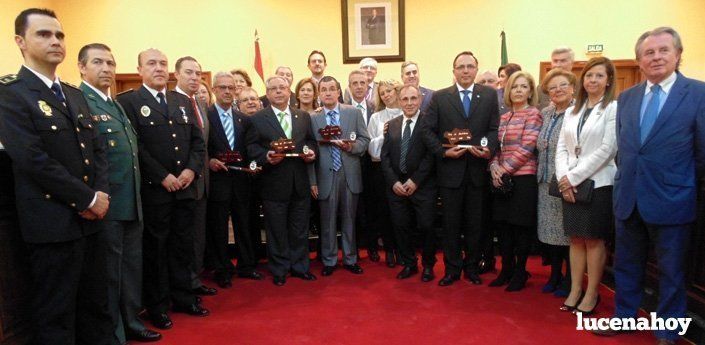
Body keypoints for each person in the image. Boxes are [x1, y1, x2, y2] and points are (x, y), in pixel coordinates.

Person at [0, 8, 113, 344]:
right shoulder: (10, 93)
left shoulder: (74, 95)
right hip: (52, 223)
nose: (55, 41)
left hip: (92, 221)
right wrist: (87, 198)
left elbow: (99, 151)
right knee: (56, 315)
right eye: (44, 34)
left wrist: (101, 197)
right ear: (20, 41)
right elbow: (31, 158)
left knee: (96, 308)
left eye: (59, 35)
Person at [597, 27, 705, 345]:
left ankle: (669, 330)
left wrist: (679, 182)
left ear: (678, 55)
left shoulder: (698, 94)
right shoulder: (627, 98)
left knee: (672, 273)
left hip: (673, 199)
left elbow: (701, 154)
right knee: (627, 266)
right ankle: (624, 319)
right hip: (629, 197)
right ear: (639, 60)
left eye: (663, 50)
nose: (656, 57)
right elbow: (626, 148)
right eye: (649, 52)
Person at [117, 48, 208, 330]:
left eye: (163, 64)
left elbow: (197, 141)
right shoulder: (130, 102)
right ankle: (157, 306)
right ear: (140, 69)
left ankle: (184, 297)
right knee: (156, 249)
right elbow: (136, 147)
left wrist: (191, 170)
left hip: (185, 188)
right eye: (152, 63)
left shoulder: (180, 102)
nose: (158, 68)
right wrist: (162, 176)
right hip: (156, 191)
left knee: (182, 246)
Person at [77, 43, 161, 343]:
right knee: (108, 275)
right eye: (98, 62)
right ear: (82, 67)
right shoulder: (80, 102)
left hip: (131, 203)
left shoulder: (114, 104)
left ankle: (130, 322)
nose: (107, 69)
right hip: (107, 206)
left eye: (111, 63)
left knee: (129, 271)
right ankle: (112, 332)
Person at [421, 51, 499, 287]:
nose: (465, 71)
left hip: (477, 171)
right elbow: (427, 130)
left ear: (476, 69)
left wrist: (489, 150)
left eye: (470, 66)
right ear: (453, 70)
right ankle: (452, 269)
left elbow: (494, 128)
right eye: (460, 67)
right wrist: (443, 152)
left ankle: (472, 268)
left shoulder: (488, 95)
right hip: (450, 172)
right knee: (451, 225)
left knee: (475, 224)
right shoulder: (440, 97)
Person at [555, 56, 617, 315]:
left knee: (593, 241)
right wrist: (563, 178)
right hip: (569, 183)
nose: (593, 80)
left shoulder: (613, 108)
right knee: (576, 239)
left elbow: (608, 148)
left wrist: (574, 177)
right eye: (589, 75)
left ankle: (592, 293)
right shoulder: (572, 110)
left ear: (608, 80)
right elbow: (561, 147)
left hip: (598, 183)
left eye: (599, 76)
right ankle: (575, 289)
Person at [246, 75, 318, 286]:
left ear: (289, 92)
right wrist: (265, 156)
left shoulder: (303, 116)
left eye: (282, 88)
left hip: (300, 183)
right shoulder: (257, 118)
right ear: (267, 94)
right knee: (276, 230)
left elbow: (311, 142)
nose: (278, 91)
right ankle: (279, 269)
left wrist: (311, 152)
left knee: (299, 229)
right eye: (273, 89)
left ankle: (300, 267)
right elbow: (251, 148)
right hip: (273, 183)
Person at [206, 72, 264, 288]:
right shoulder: (206, 116)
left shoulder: (244, 119)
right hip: (218, 180)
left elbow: (249, 149)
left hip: (241, 181)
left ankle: (247, 266)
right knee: (219, 227)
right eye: (222, 87)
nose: (228, 91)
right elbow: (202, 148)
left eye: (231, 87)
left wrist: (253, 165)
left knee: (244, 224)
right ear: (214, 90)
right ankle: (222, 269)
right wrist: (209, 161)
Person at [310, 76, 371, 277]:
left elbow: (364, 139)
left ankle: (351, 258)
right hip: (325, 174)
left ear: (338, 91)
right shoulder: (312, 117)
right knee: (327, 221)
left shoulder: (353, 113)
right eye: (324, 89)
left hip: (349, 172)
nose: (328, 92)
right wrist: (312, 181)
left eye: (331, 89)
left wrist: (352, 147)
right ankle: (329, 260)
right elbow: (308, 151)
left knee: (349, 219)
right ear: (319, 94)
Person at [488, 71, 542, 292]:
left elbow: (528, 146)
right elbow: (494, 146)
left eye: (523, 86)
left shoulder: (534, 115)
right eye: (514, 87)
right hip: (502, 180)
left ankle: (521, 272)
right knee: (503, 228)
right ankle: (506, 269)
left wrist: (504, 170)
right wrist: (493, 167)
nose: (519, 90)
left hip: (523, 179)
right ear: (508, 91)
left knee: (520, 229)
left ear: (530, 91)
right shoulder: (503, 117)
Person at [381, 85, 437, 281]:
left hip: (422, 186)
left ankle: (428, 265)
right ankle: (409, 263)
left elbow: (432, 155)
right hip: (396, 188)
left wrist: (416, 180)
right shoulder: (392, 124)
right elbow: (384, 156)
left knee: (427, 226)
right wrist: (394, 182)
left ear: (420, 100)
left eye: (413, 98)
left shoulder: (429, 124)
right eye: (405, 99)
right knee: (401, 226)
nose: (409, 103)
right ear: (399, 101)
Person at [173, 56, 218, 299]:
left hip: (203, 183)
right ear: (177, 74)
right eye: (188, 72)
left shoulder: (200, 105)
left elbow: (203, 145)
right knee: (183, 240)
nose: (194, 77)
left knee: (198, 238)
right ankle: (184, 287)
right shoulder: (171, 102)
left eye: (198, 73)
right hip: (182, 182)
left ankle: (194, 280)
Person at [536, 68, 575, 295]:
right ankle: (554, 275)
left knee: (569, 234)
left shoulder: (577, 111)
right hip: (544, 180)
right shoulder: (546, 113)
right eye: (552, 87)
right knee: (551, 234)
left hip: (566, 182)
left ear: (572, 87)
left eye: (562, 85)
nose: (558, 90)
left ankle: (570, 279)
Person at [365, 79, 403, 265]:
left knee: (403, 212)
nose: (386, 95)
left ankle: (404, 250)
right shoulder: (376, 117)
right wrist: (384, 134)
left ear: (397, 91)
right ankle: (389, 250)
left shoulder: (407, 112)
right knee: (385, 210)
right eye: (382, 93)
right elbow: (371, 148)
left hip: (403, 168)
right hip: (381, 169)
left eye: (389, 91)